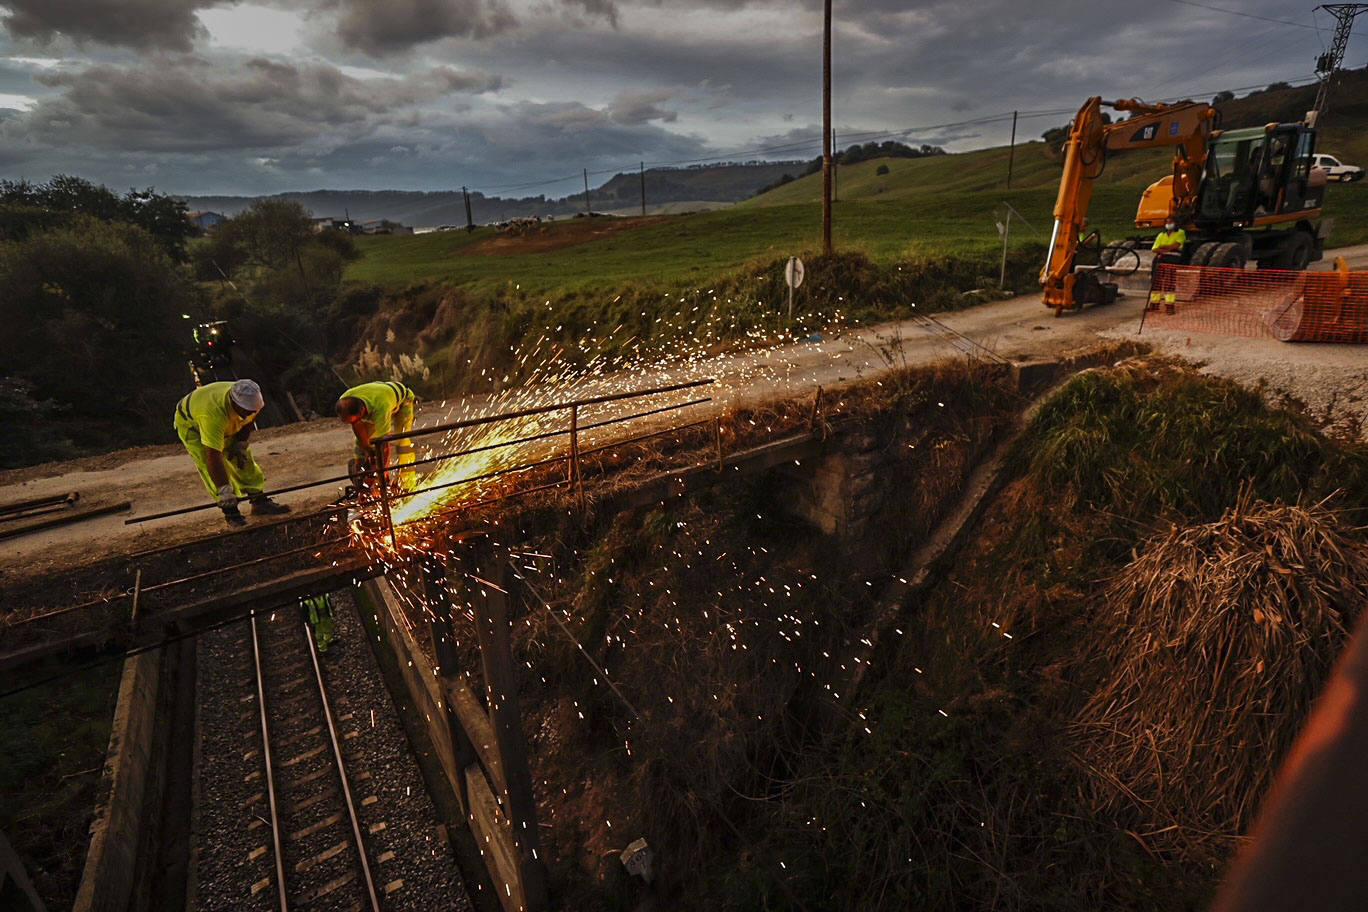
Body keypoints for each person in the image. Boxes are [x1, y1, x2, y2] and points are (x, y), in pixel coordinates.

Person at [174, 379, 291, 526]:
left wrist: (240, 444)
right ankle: (231, 513)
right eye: (248, 411)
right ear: (235, 404)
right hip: (192, 426)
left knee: (242, 458)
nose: (252, 413)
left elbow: (248, 420)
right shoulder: (213, 416)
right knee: (208, 463)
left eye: (254, 410)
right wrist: (225, 491)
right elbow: (213, 457)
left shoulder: (251, 402)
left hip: (223, 415)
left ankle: (259, 501)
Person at [336, 381, 418, 491]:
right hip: (377, 398)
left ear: (362, 412)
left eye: (355, 420)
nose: (353, 424)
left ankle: (408, 484)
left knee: (402, 443)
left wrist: (382, 474)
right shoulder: (344, 401)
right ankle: (364, 482)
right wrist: (363, 457)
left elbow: (384, 445)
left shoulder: (380, 408)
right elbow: (358, 428)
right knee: (363, 445)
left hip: (402, 402)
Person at [1149, 218, 1187, 311]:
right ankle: (1154, 304)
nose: (1169, 224)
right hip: (1160, 259)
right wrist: (1168, 248)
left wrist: (1163, 247)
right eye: (1167, 222)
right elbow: (1154, 249)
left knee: (1169, 282)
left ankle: (1169, 305)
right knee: (1156, 281)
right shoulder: (1161, 235)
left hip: (1172, 259)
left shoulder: (1180, 233)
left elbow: (1176, 246)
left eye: (1171, 222)